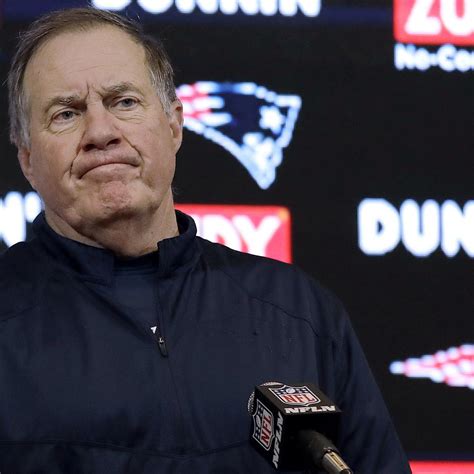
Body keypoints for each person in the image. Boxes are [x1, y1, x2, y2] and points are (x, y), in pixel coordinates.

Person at [0, 8, 411, 473]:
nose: (101, 132)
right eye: (66, 113)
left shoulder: (300, 315)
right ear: (27, 158)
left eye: (124, 102)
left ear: (174, 125)